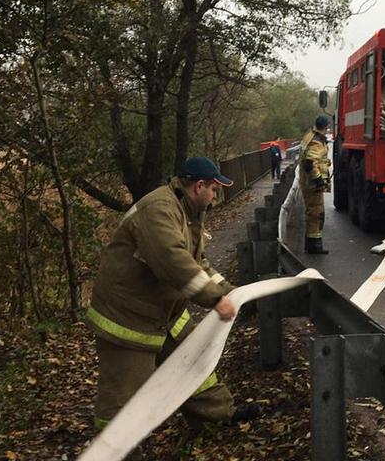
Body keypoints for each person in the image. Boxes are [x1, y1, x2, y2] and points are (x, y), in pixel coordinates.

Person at [86, 156, 259, 434]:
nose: (216, 197)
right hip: (127, 317)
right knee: (123, 398)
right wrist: (215, 300)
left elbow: (198, 263)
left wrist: (231, 293)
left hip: (164, 312)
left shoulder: (187, 211)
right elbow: (173, 262)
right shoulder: (159, 210)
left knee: (194, 363)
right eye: (214, 189)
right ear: (199, 186)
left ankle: (219, 416)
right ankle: (115, 450)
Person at [300, 116, 331, 254]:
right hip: (313, 185)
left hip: (308, 183)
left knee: (312, 212)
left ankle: (310, 243)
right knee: (316, 214)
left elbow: (312, 160)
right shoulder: (317, 142)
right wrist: (318, 179)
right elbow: (310, 163)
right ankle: (314, 246)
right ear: (325, 127)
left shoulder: (310, 136)